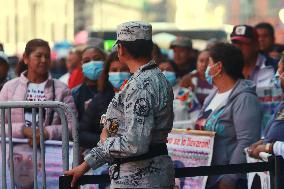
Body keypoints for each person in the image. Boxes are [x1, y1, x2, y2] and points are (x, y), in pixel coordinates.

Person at [65, 21, 175, 189]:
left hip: (140, 179)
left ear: (121, 49)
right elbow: (119, 133)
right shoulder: (149, 79)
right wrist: (86, 165)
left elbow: (134, 143)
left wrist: (105, 140)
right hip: (140, 175)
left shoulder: (141, 85)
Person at [195, 43, 261, 189]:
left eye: (209, 63)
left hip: (227, 180)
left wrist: (229, 178)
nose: (206, 67)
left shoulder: (244, 98)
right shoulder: (213, 95)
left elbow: (247, 141)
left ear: (218, 67)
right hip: (207, 176)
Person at [0, 39, 76, 141]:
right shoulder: (9, 88)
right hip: (15, 154)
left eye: (47, 56)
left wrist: (46, 133)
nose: (43, 60)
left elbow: (72, 126)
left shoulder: (61, 89)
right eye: (38, 56)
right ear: (26, 58)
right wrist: (23, 130)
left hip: (49, 154)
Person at [79, 51, 130, 149]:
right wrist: (105, 140)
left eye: (124, 69)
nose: (119, 74)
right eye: (114, 70)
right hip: (105, 154)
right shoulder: (100, 99)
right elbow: (82, 133)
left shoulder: (140, 96)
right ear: (107, 74)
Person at [72, 46, 106, 121]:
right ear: (81, 66)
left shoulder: (115, 90)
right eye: (87, 61)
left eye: (97, 59)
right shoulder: (75, 93)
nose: (92, 63)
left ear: (105, 61)